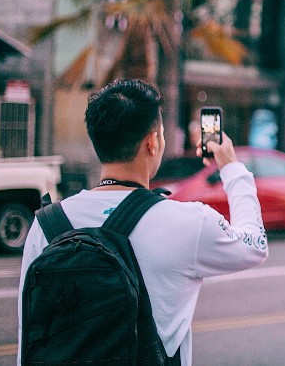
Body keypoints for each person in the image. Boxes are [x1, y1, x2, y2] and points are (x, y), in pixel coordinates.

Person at [17, 79, 268, 365]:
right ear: (153, 143)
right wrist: (231, 166)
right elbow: (256, 244)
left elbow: (29, 337)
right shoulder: (188, 222)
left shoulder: (47, 224)